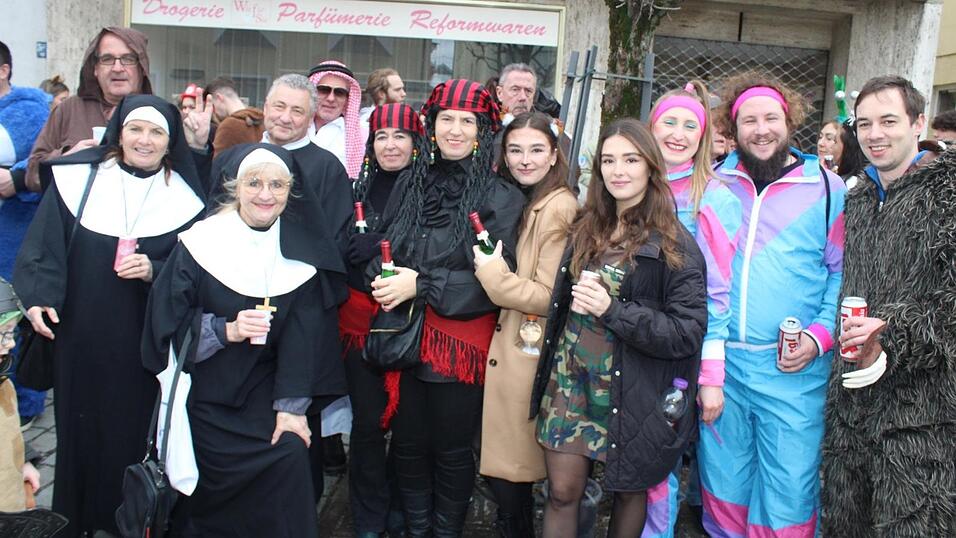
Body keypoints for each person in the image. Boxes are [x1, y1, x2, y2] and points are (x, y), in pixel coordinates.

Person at [13, 95, 206, 536]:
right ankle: (73, 522)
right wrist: (40, 296)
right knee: (78, 436)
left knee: (131, 437)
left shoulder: (187, 199)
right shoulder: (77, 180)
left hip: (141, 346)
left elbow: (195, 275)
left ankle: (130, 521)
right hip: (79, 339)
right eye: (136, 128)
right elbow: (44, 249)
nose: (144, 139)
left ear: (170, 141)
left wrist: (155, 270)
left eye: (157, 132)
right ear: (118, 132)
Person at [143, 143, 342, 537]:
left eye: (277, 185)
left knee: (288, 454)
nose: (265, 195)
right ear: (234, 188)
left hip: (267, 393)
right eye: (254, 183)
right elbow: (166, 323)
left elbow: (305, 339)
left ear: (291, 192)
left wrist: (291, 408)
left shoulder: (301, 258)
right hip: (205, 392)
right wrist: (225, 330)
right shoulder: (199, 244)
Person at [531, 118, 707, 538]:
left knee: (629, 493)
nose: (618, 170)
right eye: (608, 160)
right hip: (571, 382)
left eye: (630, 159)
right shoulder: (586, 227)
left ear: (650, 167)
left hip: (631, 388)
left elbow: (686, 332)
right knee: (560, 492)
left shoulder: (674, 243)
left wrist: (614, 310)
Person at [369, 79, 524, 536]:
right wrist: (384, 278)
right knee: (409, 444)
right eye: (446, 119)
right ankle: (418, 530)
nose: (455, 130)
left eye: (467, 121)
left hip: (459, 339)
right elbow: (384, 248)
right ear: (431, 126)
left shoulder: (502, 197)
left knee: (451, 449)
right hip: (405, 334)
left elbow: (497, 279)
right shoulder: (411, 183)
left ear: (484, 130)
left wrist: (423, 284)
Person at [697, 73, 845, 537]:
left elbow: (840, 274)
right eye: (749, 120)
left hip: (794, 372)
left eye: (771, 118)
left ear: (789, 121)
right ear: (733, 127)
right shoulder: (714, 184)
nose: (761, 129)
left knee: (788, 496)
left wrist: (819, 338)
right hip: (724, 370)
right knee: (724, 492)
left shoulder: (827, 190)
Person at [821, 76, 956, 537]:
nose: (875, 134)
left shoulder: (949, 193)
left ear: (918, 123)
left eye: (889, 121)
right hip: (851, 408)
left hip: (925, 416)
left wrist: (892, 336)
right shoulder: (853, 199)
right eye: (864, 124)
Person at [205, 73, 352, 493]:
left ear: (312, 117)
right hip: (234, 310)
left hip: (299, 318)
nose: (286, 118)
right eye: (279, 107)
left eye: (298, 111)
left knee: (292, 426)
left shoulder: (327, 168)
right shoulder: (234, 160)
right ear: (264, 107)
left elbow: (335, 244)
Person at [473, 111, 578, 536]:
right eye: (515, 150)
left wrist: (490, 271)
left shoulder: (558, 206)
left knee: (512, 477)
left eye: (536, 150)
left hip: (527, 353)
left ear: (555, 155)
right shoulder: (531, 198)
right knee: (507, 476)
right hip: (515, 350)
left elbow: (546, 295)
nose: (524, 159)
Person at [645, 81, 742, 537]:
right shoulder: (627, 183)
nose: (678, 133)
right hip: (627, 341)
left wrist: (711, 378)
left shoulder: (716, 197)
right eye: (670, 122)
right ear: (651, 127)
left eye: (691, 125)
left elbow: (718, 295)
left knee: (660, 466)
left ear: (703, 137)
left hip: (678, 353)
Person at [342, 103, 428, 538]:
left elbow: (433, 246)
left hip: (409, 325)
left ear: (416, 143)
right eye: (381, 136)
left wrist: (382, 243)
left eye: (400, 136)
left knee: (408, 428)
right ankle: (369, 517)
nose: (390, 144)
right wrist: (351, 246)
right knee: (367, 425)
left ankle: (402, 509)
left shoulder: (431, 188)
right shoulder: (357, 185)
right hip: (359, 325)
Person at [26, 27, 152, 192]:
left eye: (128, 59)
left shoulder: (160, 115)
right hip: (75, 216)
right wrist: (67, 158)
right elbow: (32, 176)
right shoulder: (69, 110)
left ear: (141, 67)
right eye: (107, 59)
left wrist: (196, 143)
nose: (117, 68)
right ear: (95, 69)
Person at [0, 40, 52, 432]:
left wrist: (16, 179)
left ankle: (27, 400)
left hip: (15, 234)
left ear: (4, 70)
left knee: (19, 317)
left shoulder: (30, 111)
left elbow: (42, 163)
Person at [0, 278, 41, 511]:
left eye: (11, 333)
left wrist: (24, 460)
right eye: (3, 335)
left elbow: (10, 433)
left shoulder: (5, 386)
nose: (10, 344)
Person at [308, 60, 367, 178]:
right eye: (323, 90)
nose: (331, 98)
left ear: (347, 99)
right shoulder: (293, 128)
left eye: (339, 93)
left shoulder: (363, 135)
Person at [205, 76, 264, 155]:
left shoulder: (228, 126)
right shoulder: (262, 120)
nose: (214, 113)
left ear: (219, 98)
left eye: (213, 105)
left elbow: (217, 164)